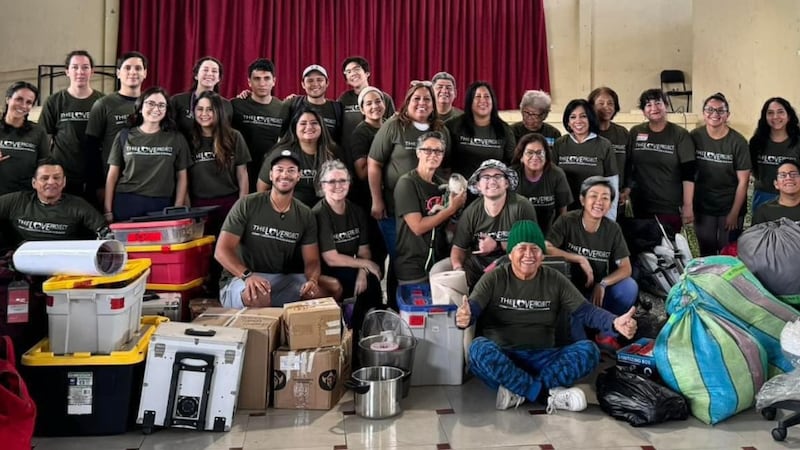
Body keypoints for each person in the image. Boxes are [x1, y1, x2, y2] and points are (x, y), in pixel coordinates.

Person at [456, 220, 637, 411]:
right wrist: (465, 317)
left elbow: (586, 312)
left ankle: (518, 390)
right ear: (510, 253)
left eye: (535, 249)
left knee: (589, 351)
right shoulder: (494, 278)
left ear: (542, 254)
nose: (529, 255)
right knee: (477, 350)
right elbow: (472, 309)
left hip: (545, 359)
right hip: (505, 357)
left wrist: (615, 322)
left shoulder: (554, 279)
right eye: (521, 248)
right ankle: (546, 394)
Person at [215, 149, 340, 308]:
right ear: (271, 175)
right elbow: (222, 251)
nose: (285, 174)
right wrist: (247, 276)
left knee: (332, 287)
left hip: (279, 280)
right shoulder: (247, 204)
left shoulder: (305, 214)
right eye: (279, 170)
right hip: (240, 278)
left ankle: (294, 327)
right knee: (258, 293)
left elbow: (312, 260)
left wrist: (313, 281)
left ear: (298, 176)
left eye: (291, 170)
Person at [545, 177, 638, 350]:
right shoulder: (567, 221)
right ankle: (583, 336)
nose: (599, 202)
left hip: (596, 294)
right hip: (569, 295)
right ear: (582, 199)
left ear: (611, 204)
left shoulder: (612, 229)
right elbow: (546, 247)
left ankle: (605, 333)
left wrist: (602, 283)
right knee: (581, 348)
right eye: (593, 196)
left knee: (628, 287)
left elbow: (626, 268)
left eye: (605, 198)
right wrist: (579, 258)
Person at [368, 81, 448, 259]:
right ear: (407, 101)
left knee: (421, 258)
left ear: (433, 104)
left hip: (429, 209)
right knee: (400, 258)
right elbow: (374, 163)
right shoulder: (394, 125)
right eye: (416, 98)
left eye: (427, 99)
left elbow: (445, 167)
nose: (422, 102)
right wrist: (377, 200)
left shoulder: (441, 129)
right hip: (393, 208)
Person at [430, 159, 536, 288]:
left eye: (498, 176)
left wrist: (497, 244)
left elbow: (531, 246)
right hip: (477, 264)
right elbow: (458, 248)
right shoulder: (471, 211)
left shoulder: (522, 206)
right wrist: (458, 269)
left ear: (507, 182)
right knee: (438, 270)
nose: (492, 181)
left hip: (511, 264)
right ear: (478, 186)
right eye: (486, 177)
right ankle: (459, 307)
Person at [312, 160, 383, 347]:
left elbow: (364, 251)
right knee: (350, 284)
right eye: (332, 182)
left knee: (371, 283)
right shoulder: (320, 213)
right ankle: (346, 339)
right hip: (324, 269)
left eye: (342, 181)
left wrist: (363, 271)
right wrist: (366, 265)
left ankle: (367, 337)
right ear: (322, 185)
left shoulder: (356, 211)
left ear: (349, 184)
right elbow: (331, 258)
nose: (338, 186)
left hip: (349, 266)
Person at [104, 87, 191, 221]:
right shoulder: (124, 135)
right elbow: (112, 175)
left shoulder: (176, 138)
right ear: (140, 107)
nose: (156, 109)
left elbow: (182, 177)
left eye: (161, 105)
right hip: (126, 202)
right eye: (151, 103)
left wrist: (177, 208)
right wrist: (107, 210)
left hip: (161, 204)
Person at [394, 131, 465, 286]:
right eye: (428, 150)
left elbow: (450, 225)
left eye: (438, 151)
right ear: (418, 152)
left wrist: (456, 212)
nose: (433, 154)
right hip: (413, 266)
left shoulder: (444, 184)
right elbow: (417, 227)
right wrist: (451, 209)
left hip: (439, 263)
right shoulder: (407, 183)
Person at [690, 93, 751, 255]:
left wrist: (734, 213)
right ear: (703, 113)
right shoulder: (695, 137)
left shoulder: (738, 142)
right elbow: (687, 173)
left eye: (720, 111)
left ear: (727, 115)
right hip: (703, 206)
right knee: (706, 250)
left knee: (728, 251)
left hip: (729, 206)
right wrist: (687, 204)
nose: (715, 114)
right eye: (710, 109)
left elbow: (743, 182)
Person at [628, 88, 696, 232]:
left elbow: (688, 173)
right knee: (644, 250)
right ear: (643, 111)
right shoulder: (635, 132)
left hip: (669, 206)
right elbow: (629, 166)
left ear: (666, 105)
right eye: (648, 105)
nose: (654, 108)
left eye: (658, 103)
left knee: (669, 249)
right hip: (641, 205)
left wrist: (688, 206)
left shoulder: (680, 135)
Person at [0, 159, 107, 250]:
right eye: (45, 178)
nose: (51, 182)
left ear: (64, 182)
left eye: (56, 178)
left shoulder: (78, 205)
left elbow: (104, 230)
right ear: (34, 183)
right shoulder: (17, 201)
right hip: (22, 260)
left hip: (64, 263)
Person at [85, 51, 148, 201]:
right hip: (113, 182)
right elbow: (91, 148)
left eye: (138, 68)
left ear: (145, 73)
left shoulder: (152, 104)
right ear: (118, 73)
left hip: (145, 183)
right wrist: (98, 185)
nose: (133, 72)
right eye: (127, 68)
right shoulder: (104, 104)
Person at [41, 50, 104, 200]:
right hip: (63, 176)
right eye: (75, 67)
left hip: (95, 176)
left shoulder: (103, 102)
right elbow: (44, 139)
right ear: (67, 71)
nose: (80, 72)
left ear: (92, 71)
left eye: (85, 67)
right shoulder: (54, 101)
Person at [187, 91, 251, 235]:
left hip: (229, 203)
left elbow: (242, 174)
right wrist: (188, 211)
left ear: (219, 111)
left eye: (210, 109)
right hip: (199, 206)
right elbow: (184, 179)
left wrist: (241, 207)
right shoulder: (189, 139)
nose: (204, 113)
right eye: (200, 109)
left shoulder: (234, 136)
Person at [257, 109, 338, 207]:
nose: (309, 127)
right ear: (294, 128)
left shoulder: (334, 152)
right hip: (289, 212)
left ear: (321, 127)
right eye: (303, 123)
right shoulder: (280, 153)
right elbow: (262, 187)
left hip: (325, 211)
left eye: (314, 123)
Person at [552, 99, 618, 213]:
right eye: (573, 117)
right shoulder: (560, 143)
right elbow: (552, 179)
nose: (578, 121)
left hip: (595, 211)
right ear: (567, 121)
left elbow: (612, 184)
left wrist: (610, 216)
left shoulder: (604, 145)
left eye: (583, 116)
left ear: (590, 119)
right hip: (565, 212)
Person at [348, 86, 389, 271]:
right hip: (369, 200)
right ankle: (371, 298)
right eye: (369, 103)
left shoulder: (391, 126)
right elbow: (363, 172)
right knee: (375, 252)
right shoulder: (361, 133)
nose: (375, 106)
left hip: (391, 196)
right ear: (362, 109)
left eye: (378, 101)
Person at [231, 58, 284, 193]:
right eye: (257, 78)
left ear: (274, 81)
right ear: (249, 82)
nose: (262, 83)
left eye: (267, 78)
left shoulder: (283, 108)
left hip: (270, 174)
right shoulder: (236, 105)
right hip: (240, 174)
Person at [445, 81, 516, 181]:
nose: (483, 100)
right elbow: (444, 162)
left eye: (487, 96)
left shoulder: (504, 129)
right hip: (460, 189)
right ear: (470, 101)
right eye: (478, 96)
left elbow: (512, 163)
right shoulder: (453, 126)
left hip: (491, 190)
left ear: (493, 101)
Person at [511, 133, 572, 236]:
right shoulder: (512, 175)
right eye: (529, 153)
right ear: (521, 156)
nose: (535, 157)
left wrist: (557, 237)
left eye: (539, 152)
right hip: (516, 234)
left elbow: (563, 213)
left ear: (547, 155)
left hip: (547, 235)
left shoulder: (557, 174)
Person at [749, 97, 800, 212]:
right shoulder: (756, 142)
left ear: (789, 116)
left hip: (793, 199)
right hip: (762, 199)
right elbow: (751, 170)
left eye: (780, 112)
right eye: (770, 113)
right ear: (765, 117)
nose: (775, 117)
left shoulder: (798, 143)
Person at [0, 82, 50, 195]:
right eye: (19, 99)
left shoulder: (38, 131)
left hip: (25, 197)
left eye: (29, 102)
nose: (23, 105)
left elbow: (44, 165)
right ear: (8, 99)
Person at [337, 56, 395, 152]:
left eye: (356, 69)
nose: (353, 73)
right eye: (348, 72)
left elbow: (392, 126)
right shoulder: (344, 99)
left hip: (379, 151)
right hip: (349, 152)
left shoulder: (383, 98)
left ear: (367, 73)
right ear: (346, 80)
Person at [589, 87, 631, 211]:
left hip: (617, 198)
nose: (606, 107)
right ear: (591, 107)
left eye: (610, 103)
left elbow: (629, 165)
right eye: (601, 103)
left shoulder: (622, 133)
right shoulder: (586, 133)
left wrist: (626, 190)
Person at [171, 56, 234, 138]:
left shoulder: (226, 105)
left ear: (219, 78)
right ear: (196, 75)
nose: (209, 74)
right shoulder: (177, 101)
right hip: (183, 149)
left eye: (214, 71)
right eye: (205, 70)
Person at [281, 65, 344, 144]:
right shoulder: (292, 104)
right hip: (297, 155)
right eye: (310, 80)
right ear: (303, 84)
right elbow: (280, 135)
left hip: (328, 155)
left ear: (327, 83)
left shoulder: (337, 108)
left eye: (319, 80)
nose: (315, 84)